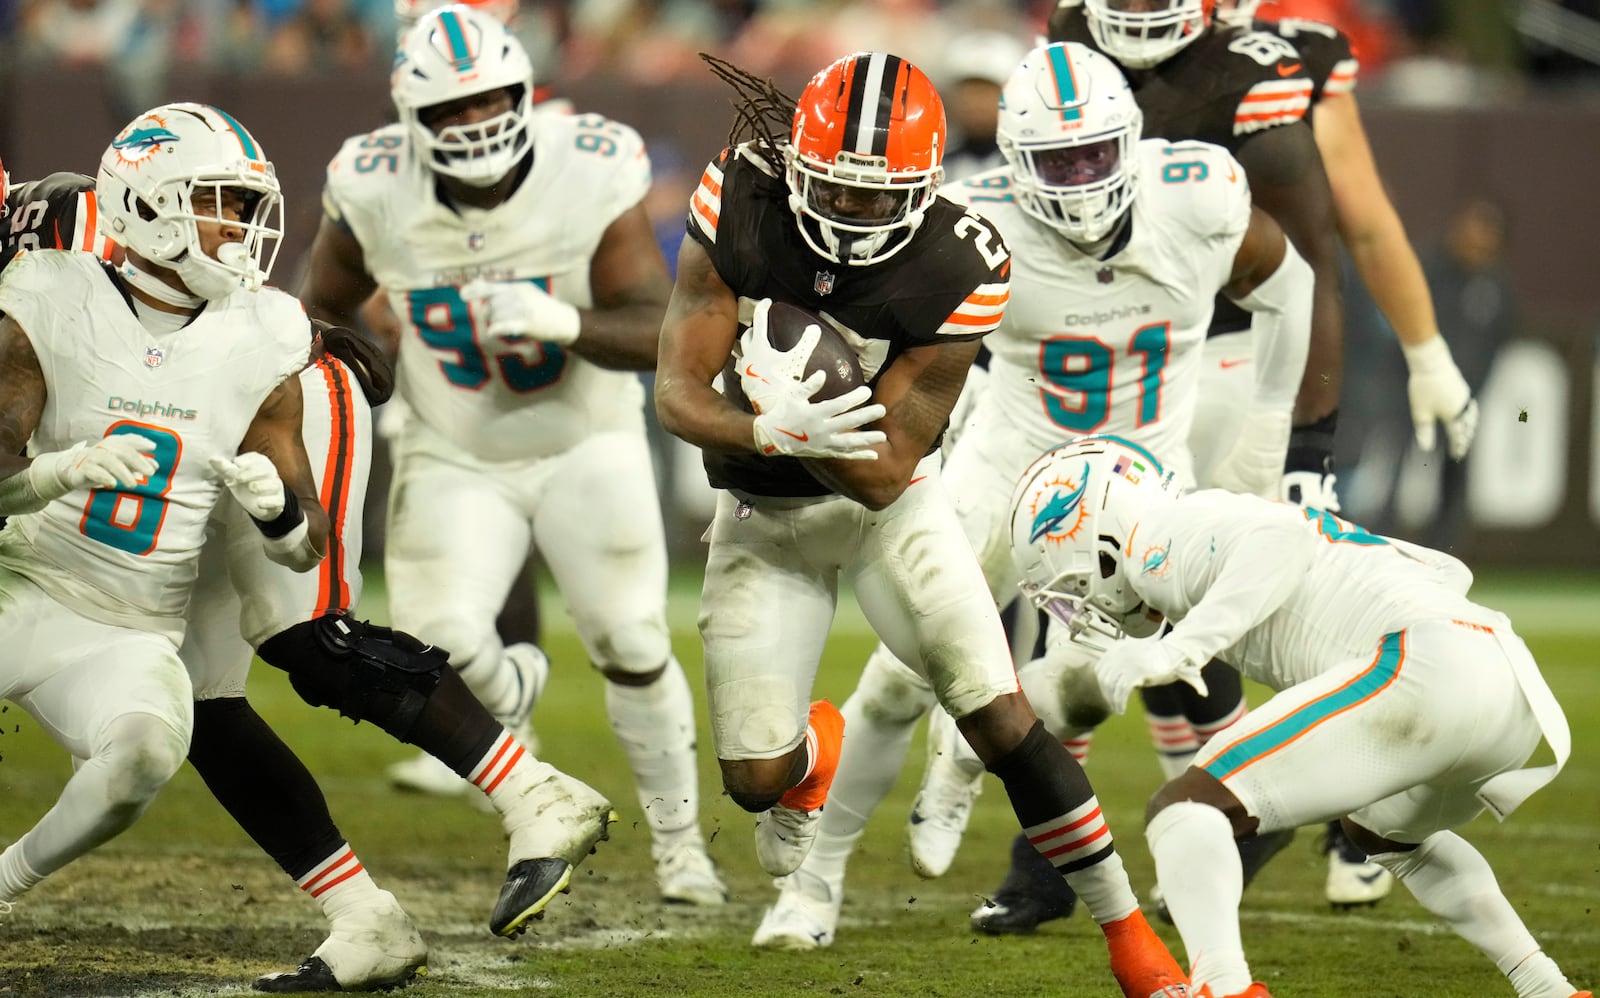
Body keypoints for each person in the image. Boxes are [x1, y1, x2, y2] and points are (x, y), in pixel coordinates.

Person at [654, 50, 1190, 998]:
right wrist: (765, 427)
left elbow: (887, 469)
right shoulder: (741, 195)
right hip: (758, 515)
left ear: (928, 187)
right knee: (752, 783)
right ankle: (812, 761)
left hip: (890, 516)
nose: (854, 215)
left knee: (1000, 717)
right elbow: (677, 394)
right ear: (797, 166)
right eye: (836, 191)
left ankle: (1133, 942)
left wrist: (800, 426)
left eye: (879, 197)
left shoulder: (963, 258)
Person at [758, 40, 1312, 948]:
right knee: (899, 677)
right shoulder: (977, 222)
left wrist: (1266, 435)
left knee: (1108, 679)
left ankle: (960, 765)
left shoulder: (1200, 197)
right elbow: (902, 341)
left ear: (1131, 142)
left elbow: (1293, 287)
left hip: (1140, 484)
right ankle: (811, 887)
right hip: (1006, 465)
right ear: (1016, 164)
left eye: (1096, 155)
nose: (1082, 179)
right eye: (1058, 162)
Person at [1033, 0, 1484, 914]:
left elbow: (1346, 230)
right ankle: (1179, 825)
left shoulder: (1280, 60)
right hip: (1133, 347)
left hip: (1248, 355)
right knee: (1125, 584)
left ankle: (1361, 814)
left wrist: (1423, 352)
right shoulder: (1072, 37)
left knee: (1291, 594)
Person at [299, 4, 725, 907]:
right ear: (409, 123)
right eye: (449, 110)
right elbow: (321, 309)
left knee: (633, 640)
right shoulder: (373, 184)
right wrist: (365, 355)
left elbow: (659, 323)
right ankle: (517, 683)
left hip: (584, 438)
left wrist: (566, 321)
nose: (473, 122)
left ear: (525, 92)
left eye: (489, 99)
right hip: (455, 449)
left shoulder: (587, 164)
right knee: (439, 646)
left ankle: (683, 845)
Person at [1006, 434, 1588, 998]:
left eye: (1068, 584)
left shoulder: (1158, 542)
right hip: (1505, 684)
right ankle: (1546, 986)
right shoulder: (1205, 525)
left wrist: (1180, 649)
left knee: (1183, 807)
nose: (1074, 604)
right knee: (1379, 832)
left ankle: (1223, 988)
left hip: (1422, 663)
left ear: (1096, 535)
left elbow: (1280, 540)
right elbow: (1441, 572)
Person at [0, 101, 328, 925]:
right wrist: (55, 473)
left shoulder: (266, 332)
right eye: (223, 202)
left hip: (130, 627)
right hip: (21, 585)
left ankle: (5, 882)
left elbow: (308, 543)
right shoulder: (49, 293)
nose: (243, 228)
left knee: (147, 752)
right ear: (146, 203)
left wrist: (280, 516)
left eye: (250, 207)